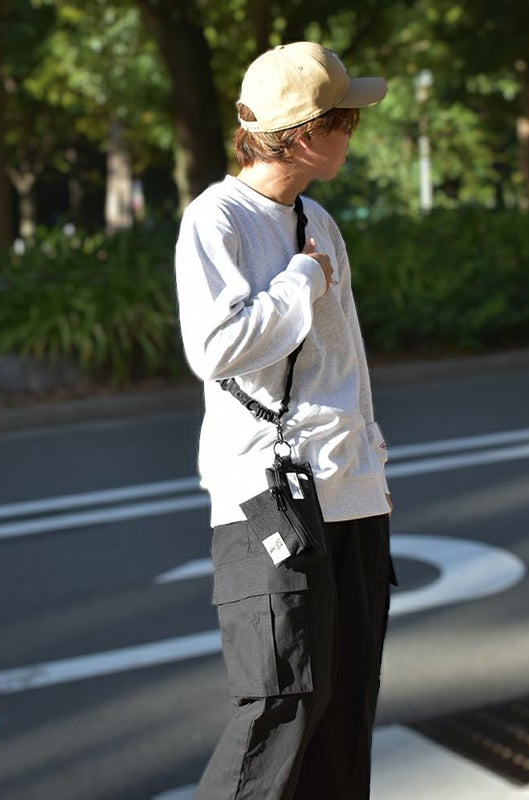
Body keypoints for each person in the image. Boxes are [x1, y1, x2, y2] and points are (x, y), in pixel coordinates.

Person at [174, 41, 396, 800]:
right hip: (269, 499)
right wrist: (302, 277)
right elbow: (216, 349)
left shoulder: (317, 218)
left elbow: (345, 358)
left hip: (351, 492)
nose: (354, 134)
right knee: (283, 704)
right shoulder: (218, 219)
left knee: (346, 713)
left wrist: (370, 459)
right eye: (346, 121)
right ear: (304, 135)